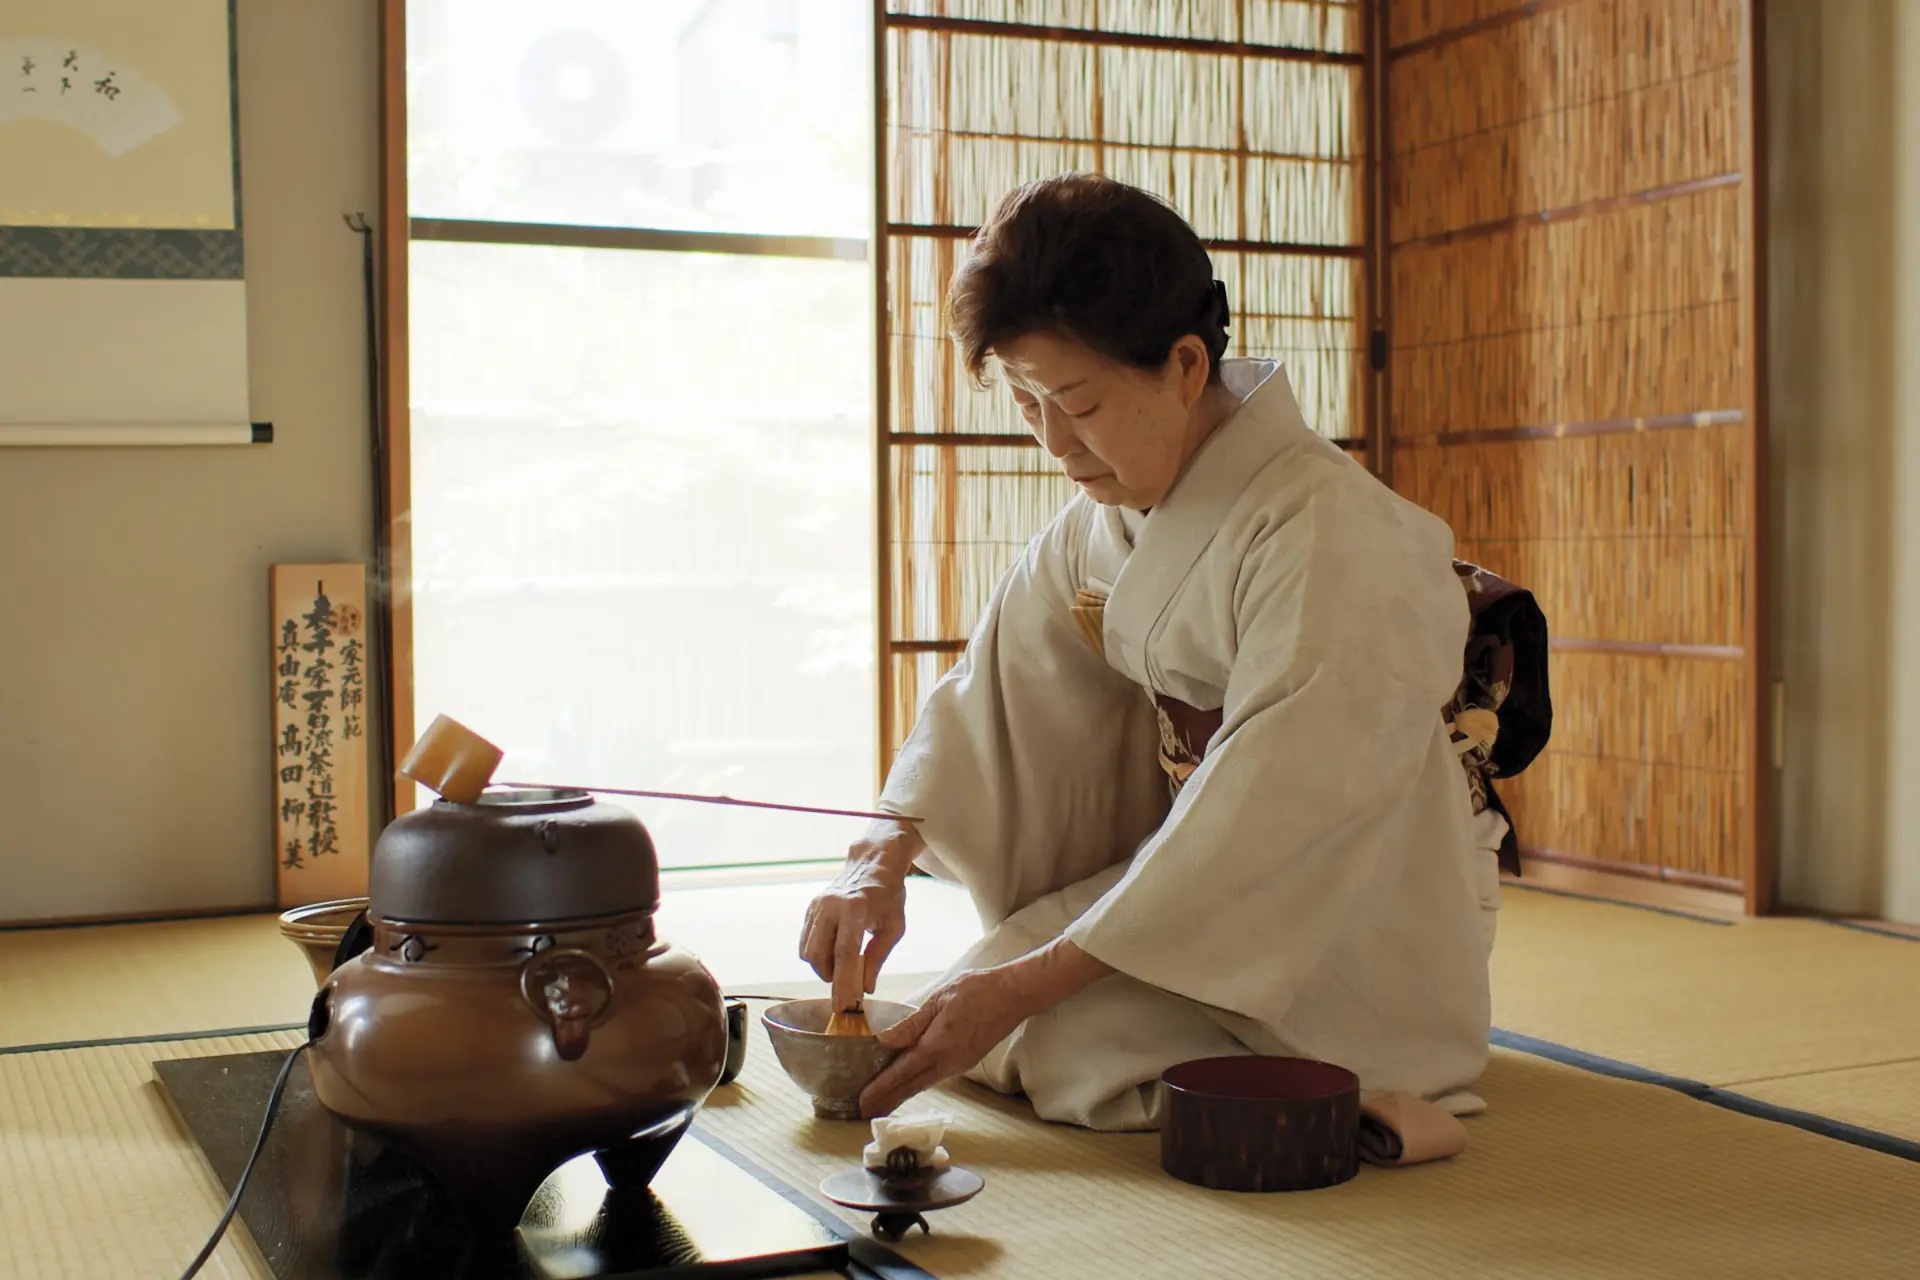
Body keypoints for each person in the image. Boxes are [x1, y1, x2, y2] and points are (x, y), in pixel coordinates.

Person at [798, 173, 1521, 1131]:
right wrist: (881, 856)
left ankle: (1347, 1072)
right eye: (1026, 403)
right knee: (969, 1008)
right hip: (1189, 900)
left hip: (1346, 939)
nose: (1055, 443)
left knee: (1051, 1043)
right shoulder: (1100, 525)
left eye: (1077, 403)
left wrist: (1027, 987)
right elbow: (992, 702)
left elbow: (1271, 815)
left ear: (1184, 364)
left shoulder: (1336, 535)